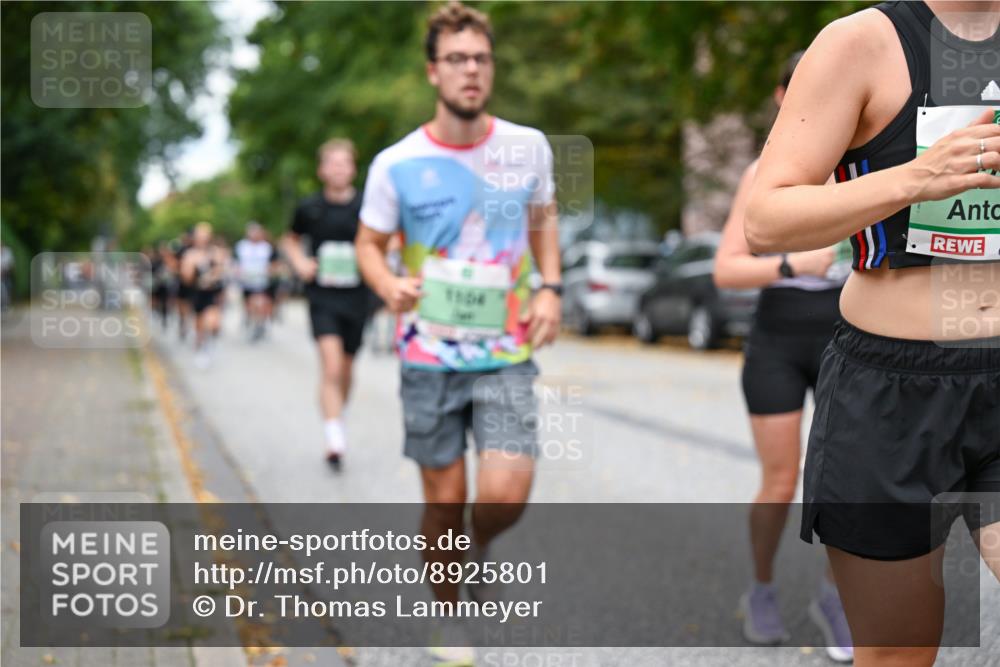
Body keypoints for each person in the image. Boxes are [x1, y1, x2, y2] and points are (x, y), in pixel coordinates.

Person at [745, 2, 1000, 665]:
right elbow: (767, 219)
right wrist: (919, 178)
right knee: (897, 652)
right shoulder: (860, 43)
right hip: (890, 390)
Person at [355, 2, 561, 663]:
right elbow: (369, 242)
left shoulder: (527, 146)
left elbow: (544, 219)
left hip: (505, 348)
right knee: (443, 497)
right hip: (428, 351)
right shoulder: (396, 162)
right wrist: (389, 285)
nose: (471, 70)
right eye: (457, 59)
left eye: (481, 58)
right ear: (432, 71)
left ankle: (479, 540)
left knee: (506, 489)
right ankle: (450, 612)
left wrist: (551, 287)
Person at [715, 52, 853, 663]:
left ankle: (834, 598)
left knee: (844, 479)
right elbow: (725, 270)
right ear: (781, 99)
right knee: (779, 479)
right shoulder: (762, 176)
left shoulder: (862, 167)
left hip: (845, 341)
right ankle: (762, 591)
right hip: (776, 341)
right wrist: (795, 264)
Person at [283, 138, 372, 469]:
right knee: (331, 366)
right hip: (323, 296)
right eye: (332, 163)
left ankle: (338, 414)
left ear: (352, 168)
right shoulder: (309, 208)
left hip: (357, 295)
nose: (338, 169)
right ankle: (334, 437)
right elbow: (290, 240)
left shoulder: (367, 206)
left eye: (344, 163)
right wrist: (300, 263)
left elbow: (383, 240)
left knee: (347, 368)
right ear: (322, 170)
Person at [181, 222, 229, 369]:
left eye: (205, 236)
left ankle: (210, 344)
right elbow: (186, 277)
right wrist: (195, 275)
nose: (202, 239)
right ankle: (201, 349)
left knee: (214, 322)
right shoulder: (190, 254)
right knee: (200, 325)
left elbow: (222, 269)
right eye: (200, 236)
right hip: (197, 294)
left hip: (212, 293)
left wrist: (212, 276)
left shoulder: (215, 252)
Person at [235, 221, 279, 341]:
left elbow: (274, 264)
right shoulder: (241, 246)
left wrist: (270, 271)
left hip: (261, 281)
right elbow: (236, 262)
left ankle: (260, 323)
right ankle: (252, 319)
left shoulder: (266, 247)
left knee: (259, 302)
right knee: (249, 304)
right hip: (246, 281)